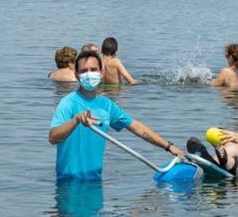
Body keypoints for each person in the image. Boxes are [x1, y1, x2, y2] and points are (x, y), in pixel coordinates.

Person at [48, 51, 182, 180]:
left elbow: (137, 128)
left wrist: (169, 147)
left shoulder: (107, 105)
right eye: (84, 71)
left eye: (94, 70)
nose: (89, 74)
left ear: (101, 73)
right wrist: (76, 120)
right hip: (68, 182)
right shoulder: (68, 103)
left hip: (95, 181)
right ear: (77, 76)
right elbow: (53, 137)